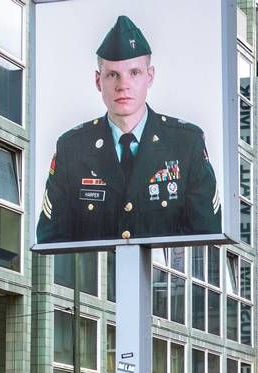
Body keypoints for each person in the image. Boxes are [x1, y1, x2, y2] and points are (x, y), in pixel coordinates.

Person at [36, 15, 221, 245]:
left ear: (150, 76)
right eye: (113, 74)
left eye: (134, 73)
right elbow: (51, 242)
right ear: (98, 81)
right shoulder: (72, 148)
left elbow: (207, 241)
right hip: (95, 282)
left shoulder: (186, 144)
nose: (123, 85)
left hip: (164, 281)